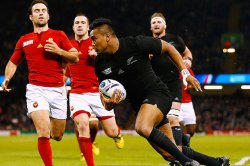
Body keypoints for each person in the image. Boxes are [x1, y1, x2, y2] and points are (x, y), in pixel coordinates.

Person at [89, 18, 229, 166]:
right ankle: (218, 163)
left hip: (158, 94)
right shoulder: (100, 63)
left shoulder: (135, 43)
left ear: (107, 36)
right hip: (141, 106)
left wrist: (186, 74)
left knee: (142, 127)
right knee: (169, 153)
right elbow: (104, 101)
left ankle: (187, 163)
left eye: (94, 38)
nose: (92, 43)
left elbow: (169, 48)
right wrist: (110, 104)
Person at [1, 0, 79, 166]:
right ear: (31, 17)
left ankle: (48, 134)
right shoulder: (24, 40)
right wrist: (7, 78)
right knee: (43, 131)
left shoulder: (59, 35)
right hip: (36, 89)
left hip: (58, 90)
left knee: (57, 135)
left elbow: (75, 57)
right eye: (37, 10)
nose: (41, 13)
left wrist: (58, 51)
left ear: (48, 15)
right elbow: (12, 63)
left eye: (44, 10)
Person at [65, 13, 124, 166]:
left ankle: (117, 134)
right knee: (83, 124)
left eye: (82, 22)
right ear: (73, 27)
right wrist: (62, 85)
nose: (79, 25)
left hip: (98, 93)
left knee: (111, 132)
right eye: (76, 22)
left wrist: (98, 56)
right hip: (77, 93)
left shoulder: (97, 44)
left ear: (87, 27)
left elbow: (113, 62)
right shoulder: (68, 46)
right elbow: (65, 70)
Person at [150, 12, 193, 147]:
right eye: (154, 23)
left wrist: (188, 60)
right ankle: (183, 141)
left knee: (173, 119)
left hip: (174, 84)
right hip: (156, 87)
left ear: (165, 25)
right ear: (151, 27)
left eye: (159, 21)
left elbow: (187, 52)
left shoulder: (175, 39)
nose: (156, 24)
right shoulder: (147, 43)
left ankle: (178, 156)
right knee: (158, 124)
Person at [179, 67, 197, 147]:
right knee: (178, 125)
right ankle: (182, 148)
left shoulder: (188, 69)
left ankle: (184, 146)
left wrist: (192, 86)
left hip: (187, 102)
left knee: (191, 130)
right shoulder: (169, 66)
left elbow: (192, 85)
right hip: (174, 101)